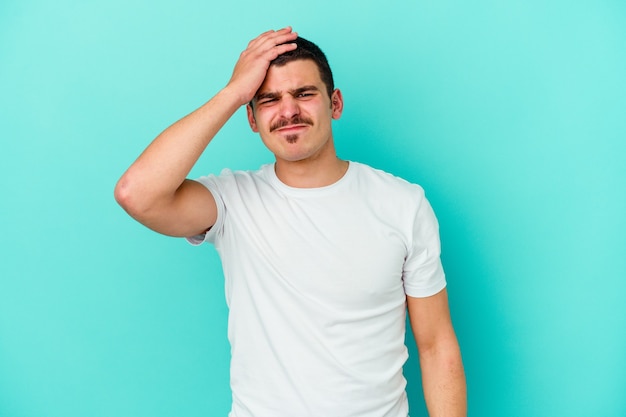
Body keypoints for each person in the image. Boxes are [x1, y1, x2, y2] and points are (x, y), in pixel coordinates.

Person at [115, 26, 466, 417]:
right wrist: (233, 93)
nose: (288, 111)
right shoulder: (232, 202)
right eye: (268, 100)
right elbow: (136, 194)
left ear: (335, 103)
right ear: (251, 118)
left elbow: (436, 344)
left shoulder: (403, 203)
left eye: (303, 93)